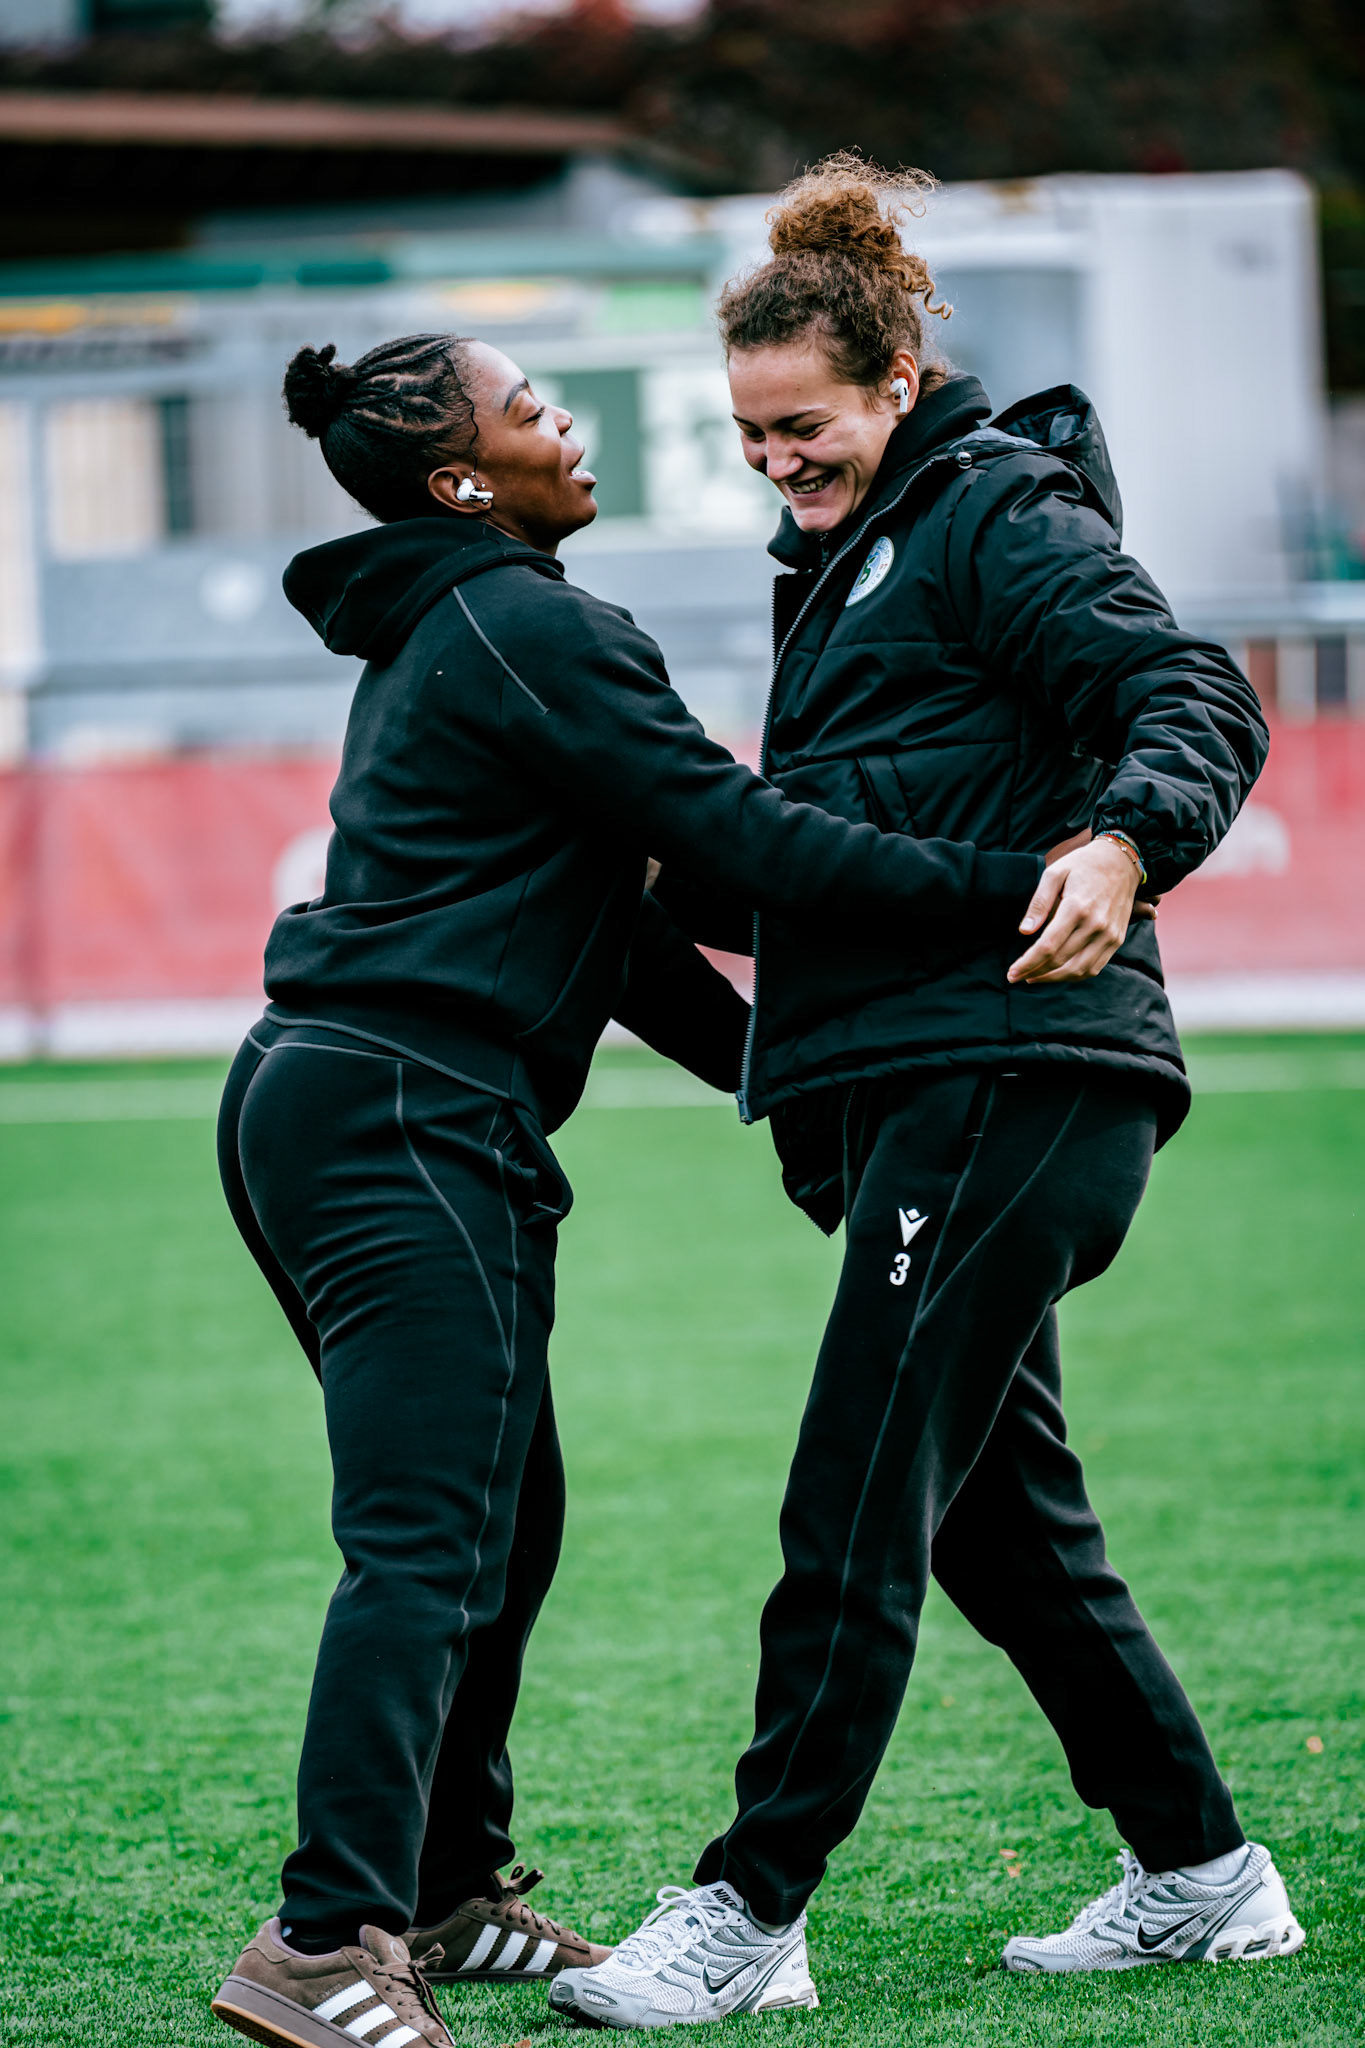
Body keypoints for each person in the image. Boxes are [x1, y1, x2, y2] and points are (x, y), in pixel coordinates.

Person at [209, 328, 1058, 2048]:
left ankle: (446, 1892)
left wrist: (800, 1091)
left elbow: (639, 938)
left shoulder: (476, 625)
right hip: (399, 1116)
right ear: (463, 482)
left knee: (498, 1526)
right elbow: (740, 842)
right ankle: (319, 1947)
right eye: (530, 410)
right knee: (428, 1544)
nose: (563, 424)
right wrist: (1020, 886)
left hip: (359, 1104)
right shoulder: (530, 622)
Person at [551, 156, 1303, 2030]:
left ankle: (748, 1910)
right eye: (746, 434)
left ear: (892, 385)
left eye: (798, 424)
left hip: (1019, 1070)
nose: (773, 461)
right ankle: (1205, 1876)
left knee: (857, 1497)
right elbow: (850, 850)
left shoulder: (993, 515)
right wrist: (648, 867)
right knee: (992, 1517)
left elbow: (1191, 697)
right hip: (918, 1087)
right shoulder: (846, 560)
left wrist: (1129, 845)